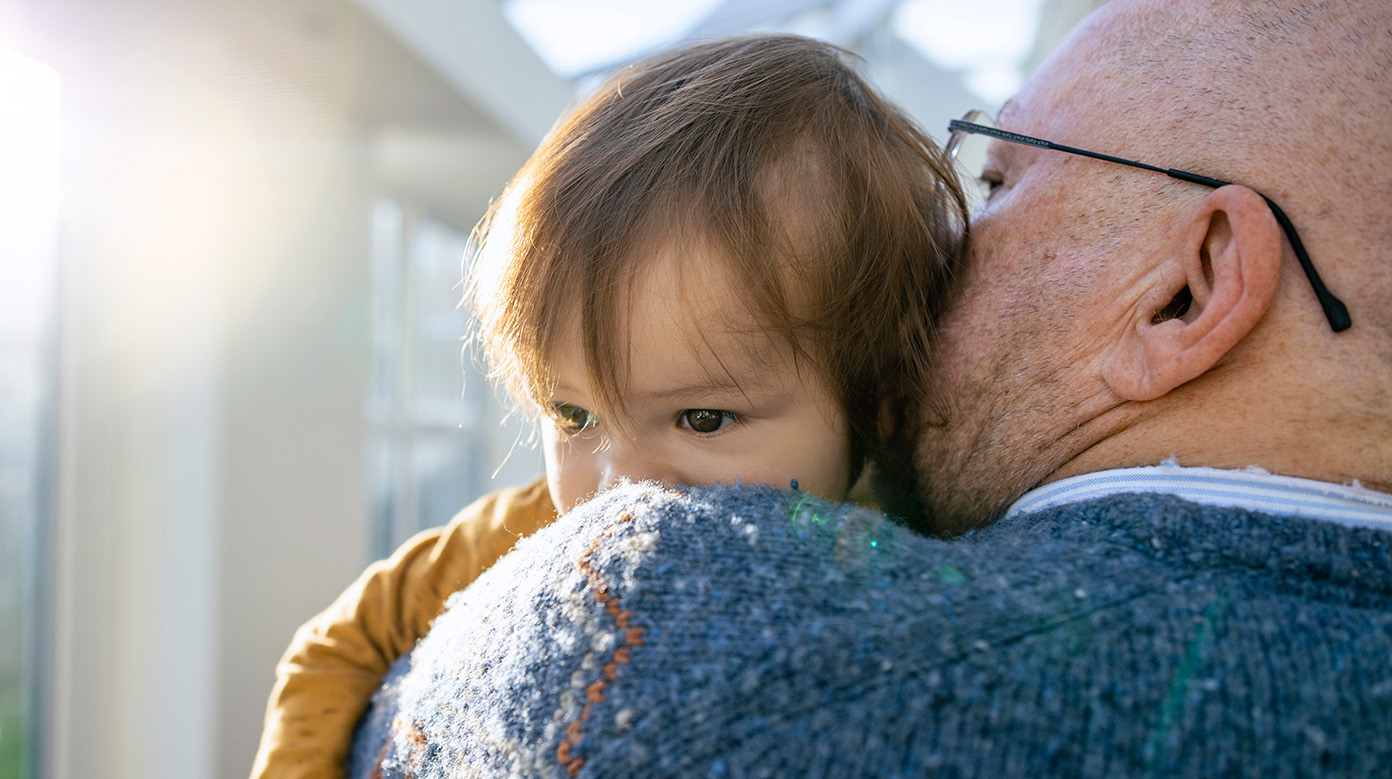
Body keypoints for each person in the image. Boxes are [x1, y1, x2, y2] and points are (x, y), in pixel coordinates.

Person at [349, 0, 1392, 776]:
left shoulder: (664, 622)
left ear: (1184, 288)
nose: (947, 251)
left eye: (999, 181)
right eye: (567, 413)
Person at [251, 34, 965, 778]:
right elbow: (338, 644)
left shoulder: (927, 528)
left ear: (878, 404)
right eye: (574, 415)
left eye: (703, 419)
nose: (619, 483)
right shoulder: (524, 531)